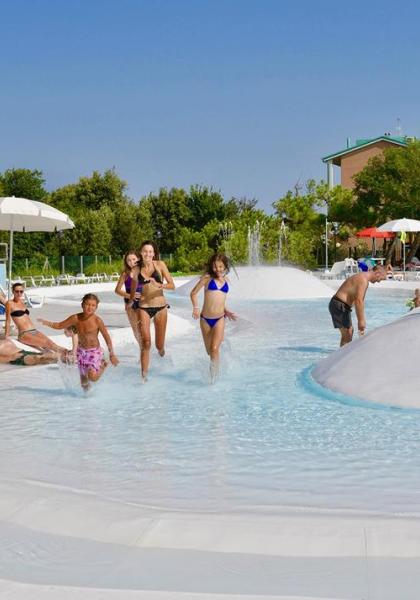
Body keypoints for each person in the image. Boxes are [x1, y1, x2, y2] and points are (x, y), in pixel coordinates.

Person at [38, 293, 119, 390]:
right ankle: (88, 401)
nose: (90, 307)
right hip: (81, 352)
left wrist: (112, 354)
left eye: (93, 305)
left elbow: (106, 336)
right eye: (87, 304)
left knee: (92, 378)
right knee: (84, 384)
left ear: (96, 307)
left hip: (94, 351)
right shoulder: (75, 318)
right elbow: (59, 325)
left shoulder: (97, 321)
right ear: (82, 305)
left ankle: (103, 365)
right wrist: (47, 323)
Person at [129, 241, 175, 382]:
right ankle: (144, 377)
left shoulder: (160, 265)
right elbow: (133, 287)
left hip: (160, 307)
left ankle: (162, 353)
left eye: (150, 251)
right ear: (141, 253)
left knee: (159, 345)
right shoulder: (137, 269)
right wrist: (132, 297)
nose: (147, 254)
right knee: (146, 343)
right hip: (143, 307)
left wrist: (159, 284)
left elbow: (172, 285)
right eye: (145, 251)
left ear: (154, 253)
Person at [190, 253, 237, 383]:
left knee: (214, 349)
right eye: (215, 267)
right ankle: (215, 372)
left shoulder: (226, 281)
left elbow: (220, 300)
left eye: (221, 266)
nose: (218, 269)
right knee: (209, 352)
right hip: (205, 319)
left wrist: (226, 311)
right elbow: (193, 293)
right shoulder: (207, 278)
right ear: (212, 266)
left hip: (220, 319)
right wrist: (195, 307)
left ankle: (213, 380)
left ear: (225, 266)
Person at [328, 265, 387, 347]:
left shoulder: (362, 277)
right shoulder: (363, 280)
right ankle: (343, 357)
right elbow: (359, 301)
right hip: (339, 304)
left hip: (341, 305)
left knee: (349, 332)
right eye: (381, 278)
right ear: (377, 273)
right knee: (348, 333)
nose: (379, 281)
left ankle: (343, 354)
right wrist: (361, 321)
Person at [5, 282, 67, 354]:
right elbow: (8, 321)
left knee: (52, 344)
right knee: (47, 343)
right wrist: (6, 336)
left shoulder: (22, 302)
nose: (19, 293)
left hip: (34, 331)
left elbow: (25, 318)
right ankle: (68, 354)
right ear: (13, 291)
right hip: (24, 334)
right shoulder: (9, 303)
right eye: (17, 291)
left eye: (21, 291)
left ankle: (69, 354)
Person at [114, 250, 143, 352]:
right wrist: (130, 295)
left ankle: (146, 349)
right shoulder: (125, 274)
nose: (131, 262)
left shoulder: (143, 272)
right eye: (129, 260)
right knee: (135, 329)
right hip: (129, 305)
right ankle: (142, 350)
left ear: (138, 259)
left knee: (143, 328)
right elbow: (117, 290)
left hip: (143, 304)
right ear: (126, 262)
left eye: (134, 259)